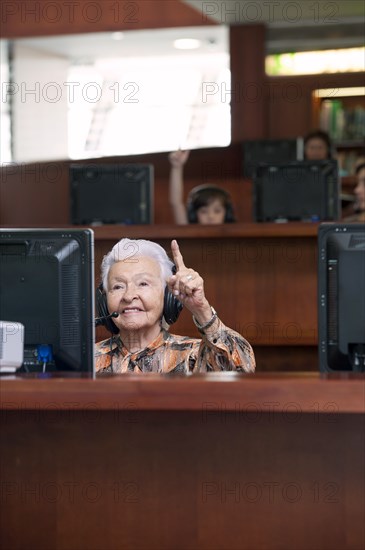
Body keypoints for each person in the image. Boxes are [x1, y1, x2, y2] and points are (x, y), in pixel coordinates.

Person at [95, 238, 255, 374]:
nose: (129, 296)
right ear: (104, 300)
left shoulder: (194, 355)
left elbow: (242, 370)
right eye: (117, 287)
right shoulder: (87, 360)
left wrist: (202, 310)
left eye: (143, 283)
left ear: (168, 295)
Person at [168, 150, 236, 224]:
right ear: (194, 214)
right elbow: (176, 203)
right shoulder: (189, 232)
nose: (211, 216)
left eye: (217, 211)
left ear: (226, 214)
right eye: (204, 211)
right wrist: (177, 167)